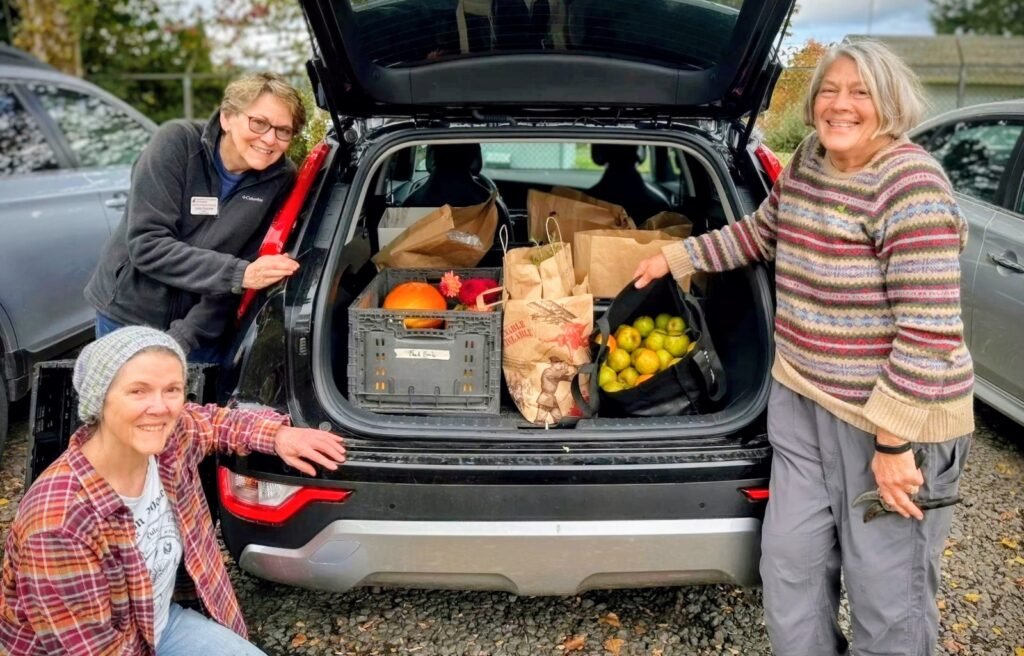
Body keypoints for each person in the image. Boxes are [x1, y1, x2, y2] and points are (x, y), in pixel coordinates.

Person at [633, 40, 974, 656]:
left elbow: (929, 332)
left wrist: (894, 442)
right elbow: (762, 233)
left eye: (860, 92)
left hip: (890, 420)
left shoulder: (912, 187)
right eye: (829, 90)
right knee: (790, 568)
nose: (839, 106)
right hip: (802, 402)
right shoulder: (811, 161)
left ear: (890, 102)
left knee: (885, 594)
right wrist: (675, 256)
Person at [0, 327, 346, 655]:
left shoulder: (169, 439)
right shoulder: (58, 526)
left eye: (172, 390)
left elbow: (212, 422)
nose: (161, 407)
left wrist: (277, 435)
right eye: (138, 391)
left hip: (160, 623)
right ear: (99, 398)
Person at [84, 72, 307, 362]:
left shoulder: (279, 178)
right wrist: (238, 273)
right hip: (130, 315)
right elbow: (147, 245)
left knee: (193, 408)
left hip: (202, 333)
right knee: (129, 404)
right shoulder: (177, 143)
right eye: (259, 123)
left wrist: (184, 338)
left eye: (283, 130)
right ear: (227, 117)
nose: (269, 139)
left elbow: (246, 271)